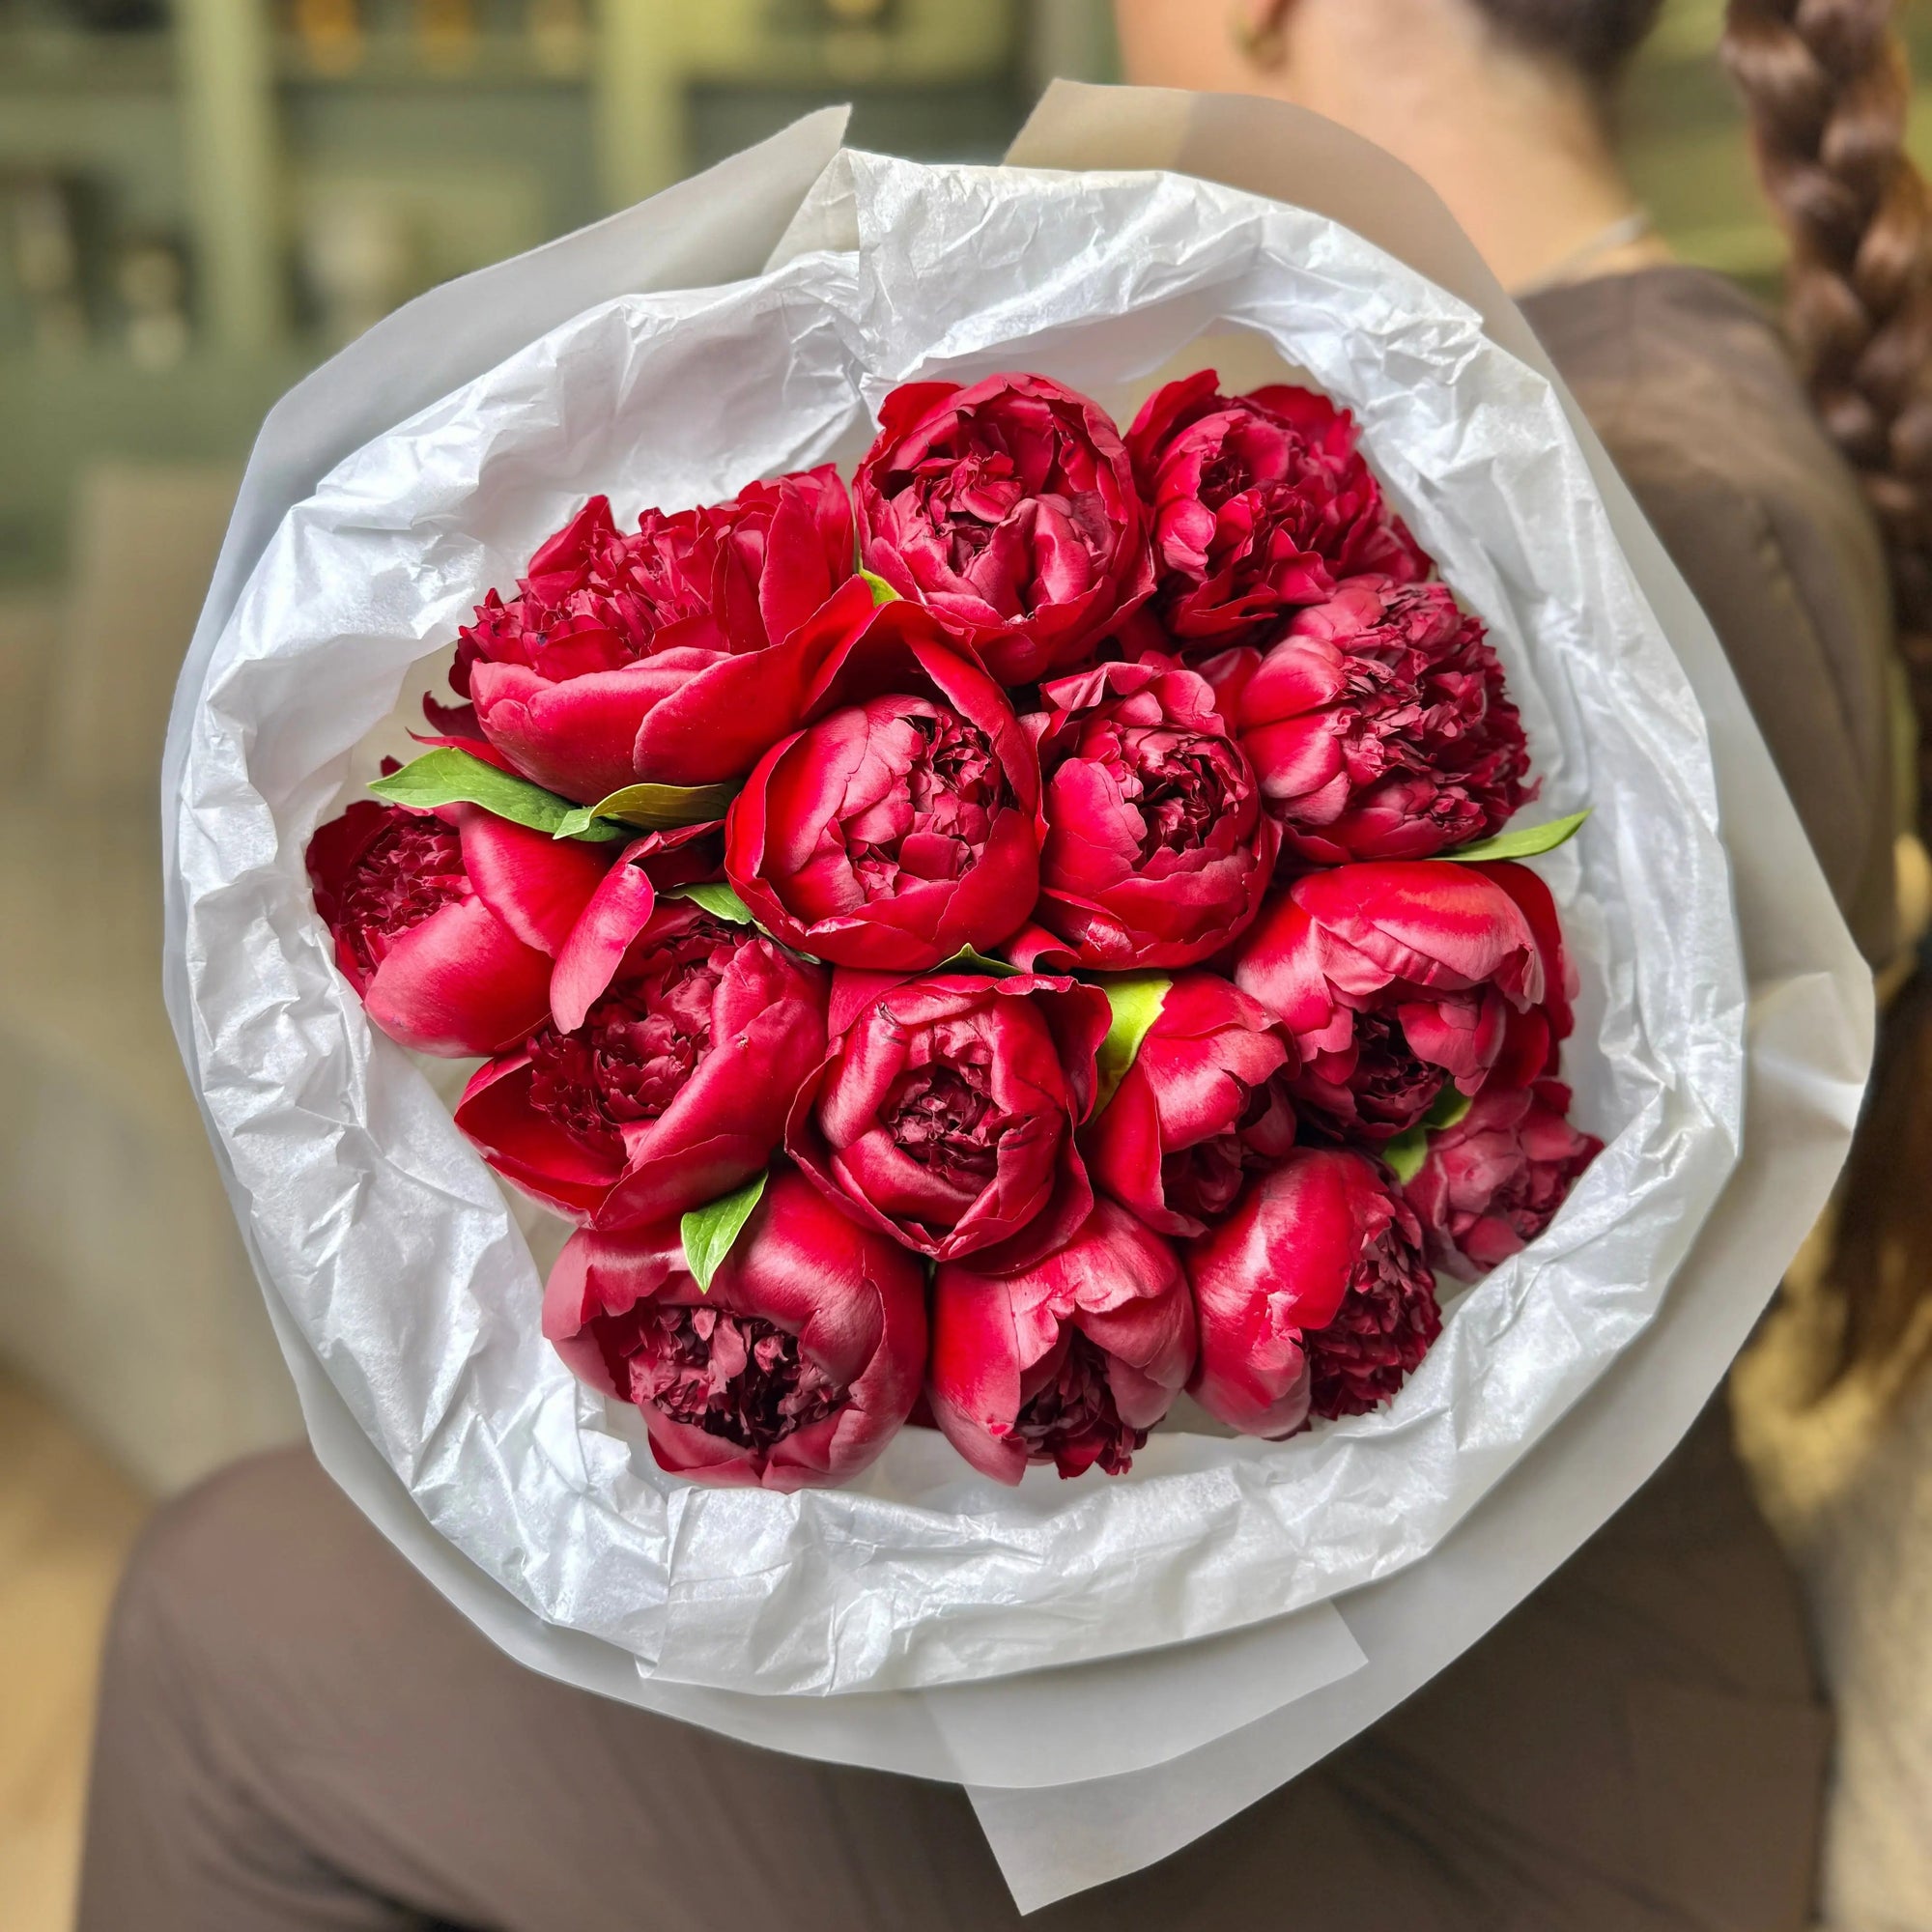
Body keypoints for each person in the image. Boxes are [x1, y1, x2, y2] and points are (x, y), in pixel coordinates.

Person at [76, 3, 1929, 1927]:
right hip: (1422, 1697)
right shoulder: (1630, 389)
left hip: (1476, 1788)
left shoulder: (1626, 498)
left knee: (225, 1644)